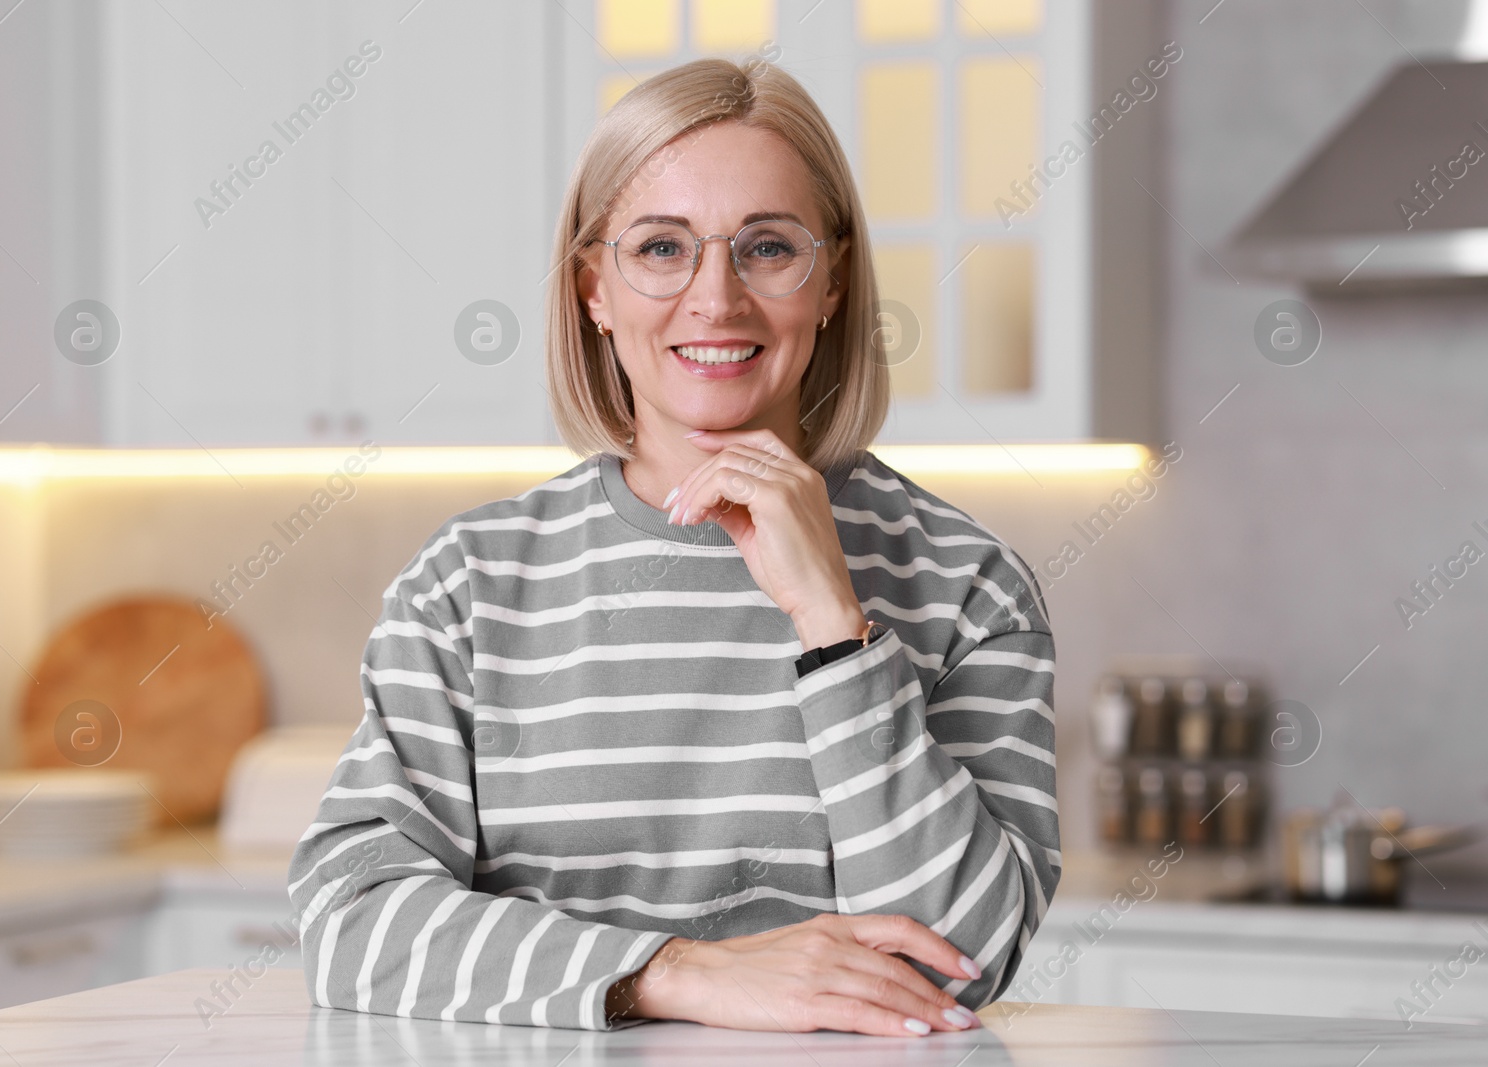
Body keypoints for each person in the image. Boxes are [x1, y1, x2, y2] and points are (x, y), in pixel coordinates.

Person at [288, 54, 1059, 1039]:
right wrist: (675, 971)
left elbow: (964, 958)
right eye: (661, 248)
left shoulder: (967, 586)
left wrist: (836, 627)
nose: (715, 299)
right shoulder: (467, 585)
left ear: (830, 281)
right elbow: (349, 916)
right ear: (592, 289)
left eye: (767, 247)